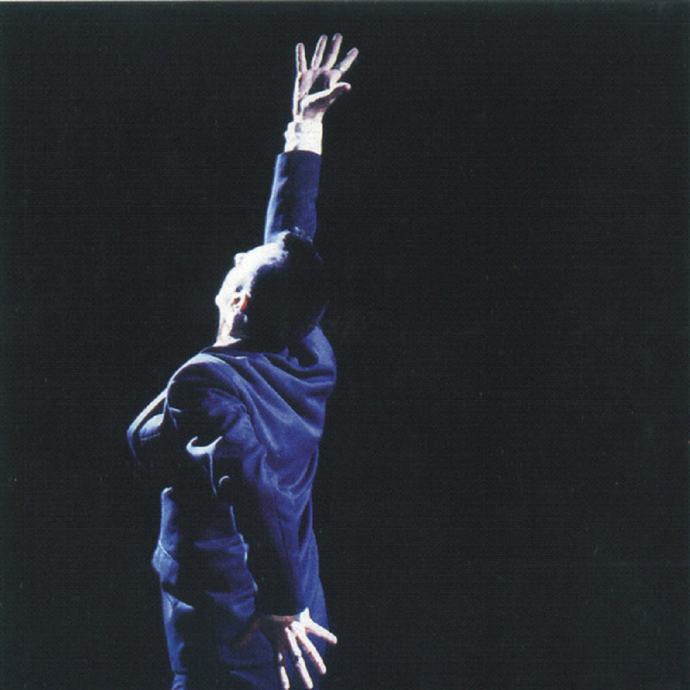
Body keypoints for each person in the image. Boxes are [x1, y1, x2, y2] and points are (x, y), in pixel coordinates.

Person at [127, 34, 358, 690]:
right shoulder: (305, 345)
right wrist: (305, 128)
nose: (238, 254)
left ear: (239, 298)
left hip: (239, 612)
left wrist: (280, 606)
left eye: (244, 262)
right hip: (294, 592)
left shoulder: (205, 384)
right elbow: (290, 244)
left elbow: (255, 489)